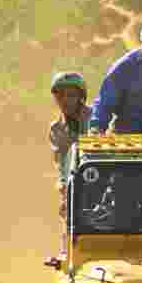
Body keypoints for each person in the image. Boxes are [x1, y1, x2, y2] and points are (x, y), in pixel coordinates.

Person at [48, 71, 92, 219]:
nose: (65, 100)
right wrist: (64, 189)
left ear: (81, 97)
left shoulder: (96, 119)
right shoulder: (56, 129)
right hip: (74, 183)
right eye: (60, 96)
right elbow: (61, 164)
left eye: (71, 95)